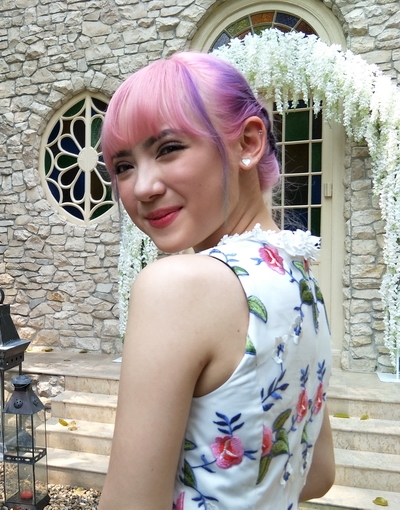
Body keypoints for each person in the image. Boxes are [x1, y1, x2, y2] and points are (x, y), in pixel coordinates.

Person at [98, 52, 335, 510]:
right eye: (123, 166)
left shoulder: (178, 287)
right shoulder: (301, 281)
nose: (142, 187)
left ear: (248, 142)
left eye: (168, 149)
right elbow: (317, 474)